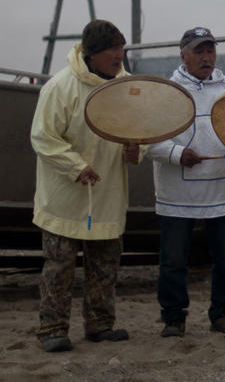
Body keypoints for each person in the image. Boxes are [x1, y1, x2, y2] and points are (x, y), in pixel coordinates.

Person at [30, 20, 138, 352]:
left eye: (122, 48)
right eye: (113, 50)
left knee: (105, 265)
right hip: (65, 194)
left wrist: (137, 149)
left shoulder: (128, 88)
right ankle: (52, 328)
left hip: (107, 194)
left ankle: (101, 325)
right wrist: (76, 167)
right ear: (92, 54)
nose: (119, 55)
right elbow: (43, 138)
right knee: (60, 266)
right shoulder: (60, 87)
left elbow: (139, 128)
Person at [146, 27, 225, 337]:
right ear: (183, 55)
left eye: (210, 51)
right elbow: (148, 140)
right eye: (199, 51)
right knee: (174, 260)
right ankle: (174, 318)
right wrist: (177, 154)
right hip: (178, 192)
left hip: (222, 189)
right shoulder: (167, 93)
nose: (206, 57)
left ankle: (224, 313)